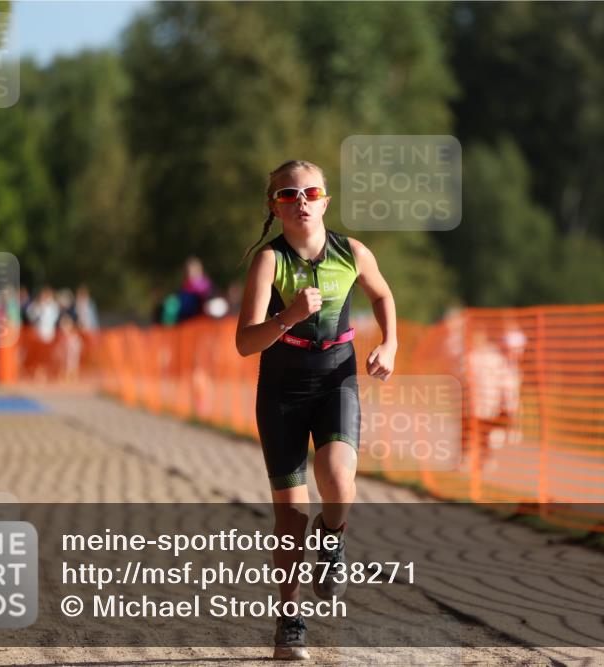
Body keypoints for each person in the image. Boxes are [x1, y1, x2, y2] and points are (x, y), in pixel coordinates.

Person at [235, 160, 397, 660]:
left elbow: (382, 293)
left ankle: (334, 538)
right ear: (274, 206)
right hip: (282, 387)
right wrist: (288, 317)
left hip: (337, 378)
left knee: (338, 477)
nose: (299, 200)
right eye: (287, 194)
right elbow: (245, 342)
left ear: (326, 200)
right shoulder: (269, 262)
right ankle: (289, 621)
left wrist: (390, 344)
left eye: (310, 192)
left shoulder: (352, 252)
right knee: (290, 516)